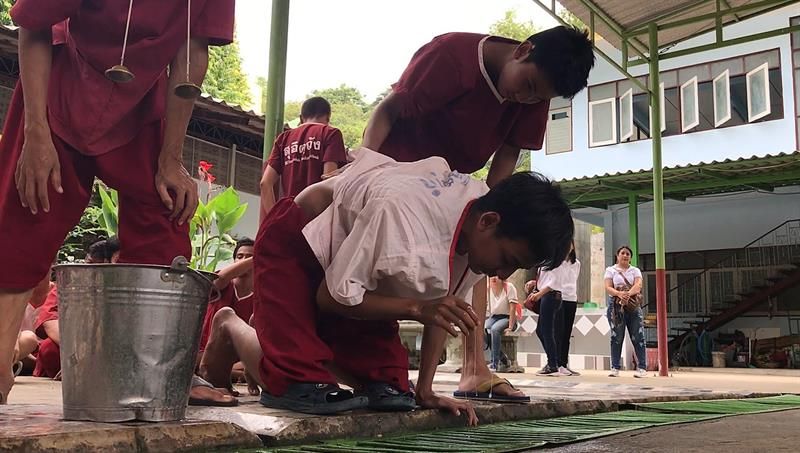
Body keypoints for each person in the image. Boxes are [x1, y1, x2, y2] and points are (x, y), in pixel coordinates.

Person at [0, 0, 234, 403]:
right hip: (58, 82)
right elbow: (34, 25)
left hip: (142, 99)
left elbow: (193, 50)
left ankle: (163, 371)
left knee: (168, 207)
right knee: (27, 211)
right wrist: (36, 133)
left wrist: (171, 157)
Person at [251, 149, 572, 424]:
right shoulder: (402, 217)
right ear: (488, 222)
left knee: (389, 384)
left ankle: (296, 338)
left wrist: (426, 390)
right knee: (298, 382)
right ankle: (254, 334)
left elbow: (443, 308)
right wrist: (416, 308)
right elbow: (330, 297)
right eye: (507, 259)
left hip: (348, 264)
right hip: (296, 238)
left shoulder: (478, 227)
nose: (504, 272)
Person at [361, 25, 594, 399]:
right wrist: (363, 170)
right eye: (529, 86)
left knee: (481, 257)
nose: (526, 98)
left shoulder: (537, 92)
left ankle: (474, 368)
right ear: (523, 50)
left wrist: (489, 210)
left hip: (451, 192)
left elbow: (507, 154)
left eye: (538, 97)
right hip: (394, 182)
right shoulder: (451, 56)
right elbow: (388, 110)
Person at [33, 238, 122, 379]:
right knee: (49, 349)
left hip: (110, 351)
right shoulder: (69, 284)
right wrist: (81, 353)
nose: (89, 269)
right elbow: (49, 321)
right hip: (74, 347)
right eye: (88, 263)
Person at [259, 96, 348, 221]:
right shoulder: (331, 134)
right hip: (316, 222)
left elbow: (265, 184)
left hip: (290, 220)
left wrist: (274, 220)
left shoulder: (283, 139)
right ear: (328, 118)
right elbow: (328, 178)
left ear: (301, 118)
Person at [604, 245, 647, 378]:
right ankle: (615, 367)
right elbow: (607, 287)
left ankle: (642, 367)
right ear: (617, 256)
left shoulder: (635, 271)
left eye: (628, 254)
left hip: (632, 306)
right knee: (616, 336)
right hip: (616, 306)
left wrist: (627, 294)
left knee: (638, 335)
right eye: (622, 253)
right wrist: (618, 294)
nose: (625, 255)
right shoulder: (610, 270)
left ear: (630, 257)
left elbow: (638, 285)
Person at [546, 243, 581, 376]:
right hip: (560, 297)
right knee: (558, 332)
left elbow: (574, 280)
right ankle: (556, 363)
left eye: (570, 243)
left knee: (567, 333)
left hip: (572, 299)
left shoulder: (576, 263)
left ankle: (564, 363)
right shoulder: (557, 262)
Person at [527, 261, 565, 376]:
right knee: (541, 331)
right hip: (547, 295)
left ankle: (552, 364)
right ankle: (552, 361)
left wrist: (539, 294)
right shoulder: (546, 261)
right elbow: (548, 279)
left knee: (546, 331)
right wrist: (535, 283)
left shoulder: (556, 260)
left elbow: (554, 282)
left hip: (550, 296)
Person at [484, 277, 519, 371]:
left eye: (497, 276)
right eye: (492, 276)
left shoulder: (509, 287)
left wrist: (510, 326)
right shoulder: (487, 289)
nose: (494, 278)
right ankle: (503, 358)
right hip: (494, 317)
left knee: (495, 329)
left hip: (508, 318)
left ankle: (494, 363)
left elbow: (513, 308)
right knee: (482, 329)